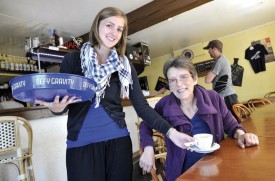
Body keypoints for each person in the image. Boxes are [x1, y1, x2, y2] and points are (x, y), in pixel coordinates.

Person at [35, 7, 191, 181]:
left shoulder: (124, 66)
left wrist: (171, 133)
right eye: (109, 25)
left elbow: (141, 107)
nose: (114, 32)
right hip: (81, 145)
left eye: (119, 29)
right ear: (97, 26)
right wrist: (57, 108)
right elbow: (62, 104)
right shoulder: (72, 60)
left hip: (118, 142)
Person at [139, 57, 259, 181]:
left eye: (183, 77)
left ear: (195, 79)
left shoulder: (213, 98)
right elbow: (145, 124)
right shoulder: (164, 105)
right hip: (182, 172)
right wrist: (148, 147)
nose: (178, 84)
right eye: (172, 80)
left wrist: (241, 134)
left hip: (218, 164)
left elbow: (230, 123)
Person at [203, 40, 238, 118]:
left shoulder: (220, 61)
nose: (209, 53)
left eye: (209, 50)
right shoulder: (222, 60)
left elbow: (207, 80)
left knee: (232, 123)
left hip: (226, 96)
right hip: (228, 96)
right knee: (232, 122)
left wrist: (210, 73)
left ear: (214, 49)